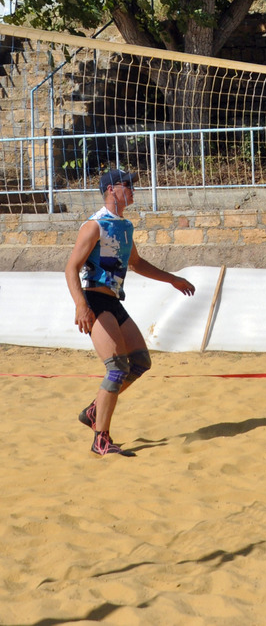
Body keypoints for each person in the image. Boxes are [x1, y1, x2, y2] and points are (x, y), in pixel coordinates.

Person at [66, 169, 196, 456]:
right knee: (116, 368)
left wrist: (172, 278)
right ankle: (101, 439)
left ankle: (93, 411)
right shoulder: (94, 226)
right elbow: (70, 268)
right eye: (128, 185)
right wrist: (81, 305)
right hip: (94, 302)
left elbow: (136, 263)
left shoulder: (124, 226)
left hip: (113, 302)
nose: (133, 190)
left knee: (140, 361)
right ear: (111, 190)